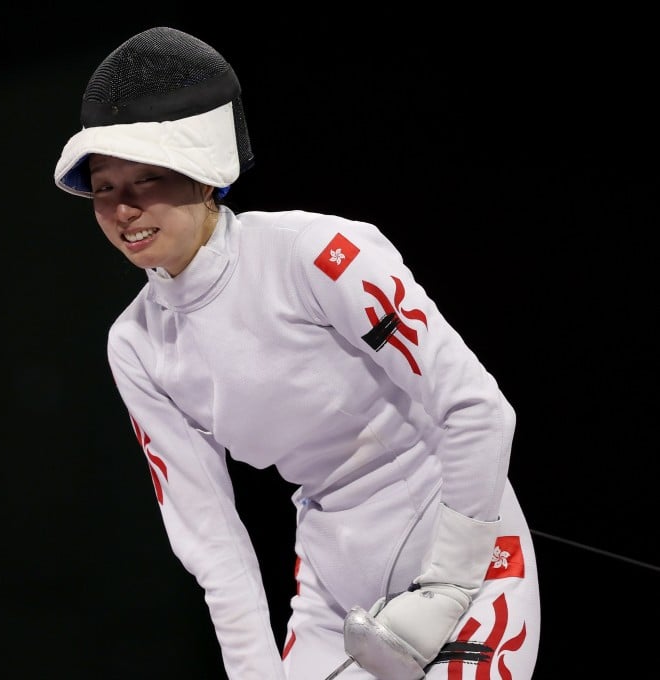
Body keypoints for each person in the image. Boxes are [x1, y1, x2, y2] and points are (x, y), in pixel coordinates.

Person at [52, 26, 540, 680]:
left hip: (467, 552)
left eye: (148, 179)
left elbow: (478, 409)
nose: (124, 208)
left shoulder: (317, 255)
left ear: (205, 177)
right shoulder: (136, 343)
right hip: (334, 584)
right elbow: (211, 538)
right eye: (105, 187)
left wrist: (449, 585)